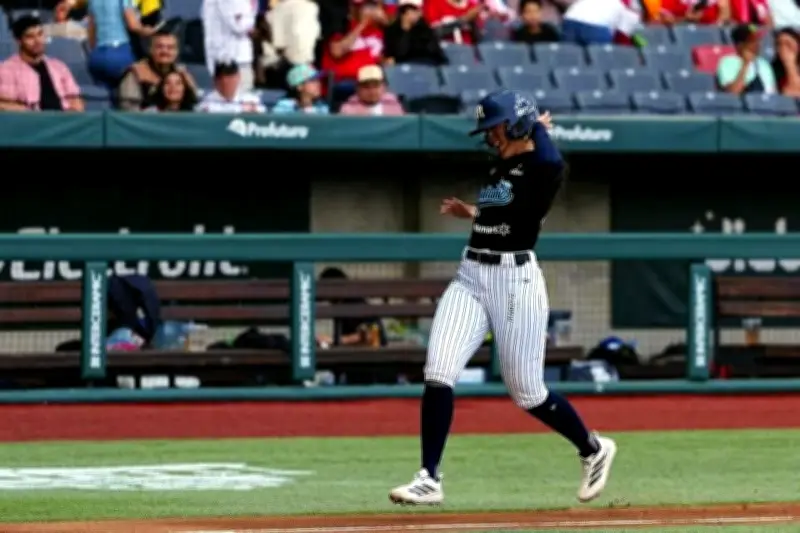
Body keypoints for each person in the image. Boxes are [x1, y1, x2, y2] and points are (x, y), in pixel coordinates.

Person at [388, 89, 617, 506]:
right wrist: (472, 212)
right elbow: (509, 207)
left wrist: (539, 130)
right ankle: (429, 477)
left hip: (515, 282)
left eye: (495, 126)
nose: (489, 136)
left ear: (516, 124)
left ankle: (592, 448)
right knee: (438, 369)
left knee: (527, 392)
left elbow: (545, 161)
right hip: (471, 276)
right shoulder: (506, 164)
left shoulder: (544, 164)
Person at [0, 15, 83, 111]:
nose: (37, 41)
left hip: (63, 121)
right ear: (19, 41)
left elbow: (76, 99)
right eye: (30, 37)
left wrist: (73, 113)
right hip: (31, 122)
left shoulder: (59, 67)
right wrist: (28, 112)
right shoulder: (6, 69)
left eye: (40, 34)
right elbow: (3, 104)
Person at [118, 30, 197, 111]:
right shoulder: (136, 73)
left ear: (176, 52)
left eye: (170, 48)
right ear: (150, 50)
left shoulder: (182, 73)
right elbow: (129, 110)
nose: (165, 51)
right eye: (159, 47)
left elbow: (194, 102)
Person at [86, 0, 156, 88]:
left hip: (97, 58)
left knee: (102, 96)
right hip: (120, 55)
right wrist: (148, 31)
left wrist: (96, 54)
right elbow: (133, 25)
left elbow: (91, 31)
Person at [202, 0, 257, 91]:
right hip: (232, 60)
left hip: (228, 59)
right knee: (240, 100)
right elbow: (240, 25)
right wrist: (250, 23)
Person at [717, 24, 777, 94]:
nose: (757, 44)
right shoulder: (728, 62)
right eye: (752, 41)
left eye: (758, 40)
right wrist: (745, 63)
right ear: (740, 45)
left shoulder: (764, 64)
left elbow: (773, 93)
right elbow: (733, 92)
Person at [383, 0, 447, 66]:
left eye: (415, 10)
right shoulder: (392, 31)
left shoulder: (425, 30)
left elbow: (434, 52)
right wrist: (405, 30)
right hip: (402, 68)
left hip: (426, 66)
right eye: (405, 12)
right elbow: (398, 53)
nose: (409, 15)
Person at [195, 61, 266, 113]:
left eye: (231, 76)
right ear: (215, 80)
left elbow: (264, 119)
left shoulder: (251, 100)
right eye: (222, 77)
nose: (227, 81)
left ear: (238, 77)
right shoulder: (207, 104)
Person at [339, 64, 404, 115]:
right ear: (358, 89)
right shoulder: (348, 109)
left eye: (376, 86)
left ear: (384, 87)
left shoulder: (393, 106)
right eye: (366, 87)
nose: (372, 91)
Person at [772, 27, 800, 97]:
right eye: (779, 44)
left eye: (788, 44)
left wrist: (790, 64)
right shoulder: (773, 71)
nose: (783, 48)